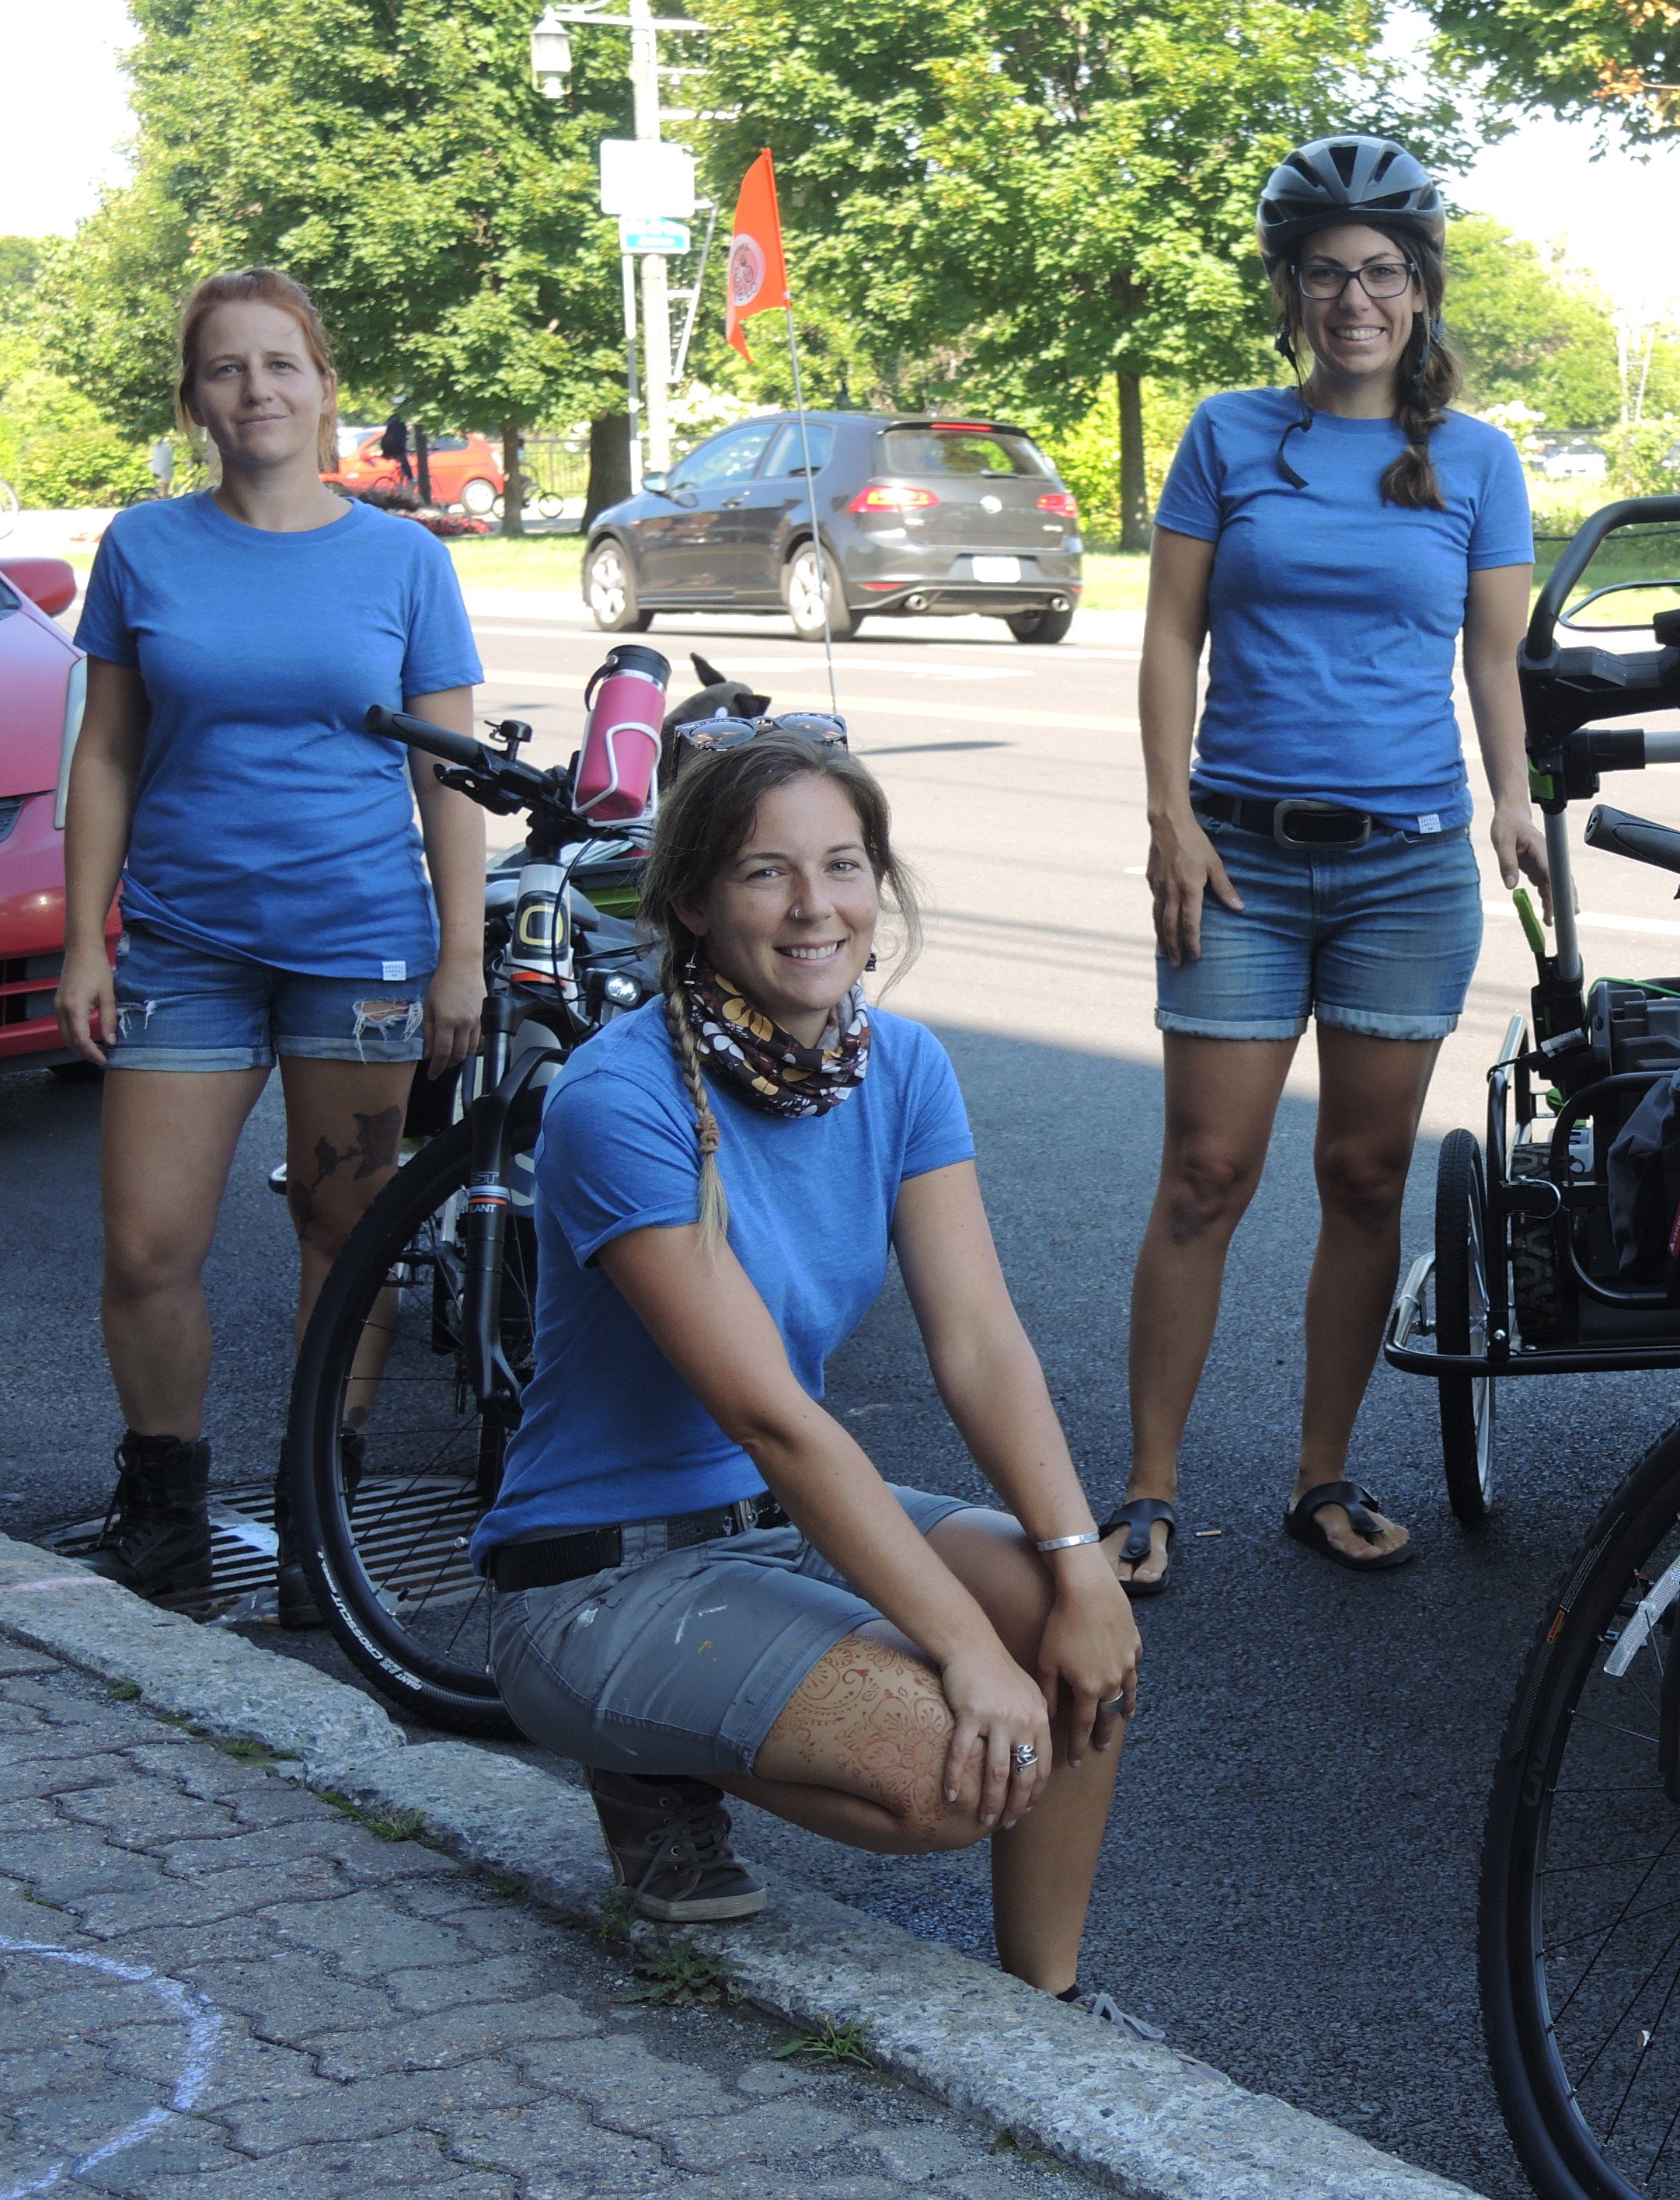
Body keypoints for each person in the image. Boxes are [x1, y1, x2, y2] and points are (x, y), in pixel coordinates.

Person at [474, 727, 1143, 2003]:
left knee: (1082, 1642)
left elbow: (981, 1341)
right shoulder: (621, 1101)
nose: (812, 906)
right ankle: (647, 1756)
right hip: (595, 1579)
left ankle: (1052, 2008)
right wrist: (964, 1651)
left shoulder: (900, 1066)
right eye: (765, 873)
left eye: (842, 865)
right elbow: (771, 1418)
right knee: (960, 1765)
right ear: (691, 901)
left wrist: (1076, 1561)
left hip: (770, 1534)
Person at [1107, 133, 1544, 1590]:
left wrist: (1516, 803)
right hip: (1236, 857)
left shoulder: (1479, 462)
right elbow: (1172, 634)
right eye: (1324, 274)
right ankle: (1150, 1493)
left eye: (1380, 273)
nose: (1354, 298)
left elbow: (1495, 661)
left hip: (1409, 870)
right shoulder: (1231, 434)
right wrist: (1168, 813)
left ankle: (1322, 1476)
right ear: (1289, 292)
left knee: (1363, 1178)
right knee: (1204, 1173)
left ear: (1418, 290)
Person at [56, 267, 486, 1629]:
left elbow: (451, 776)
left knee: (343, 1231)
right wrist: (86, 940)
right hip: (184, 946)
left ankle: (318, 1520)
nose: (257, 390)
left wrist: (459, 956)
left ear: (323, 387)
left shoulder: (404, 558)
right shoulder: (146, 547)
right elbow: (109, 753)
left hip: (358, 946)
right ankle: (167, 1514)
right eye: (228, 369)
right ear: (195, 398)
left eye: (281, 365)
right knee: (147, 1246)